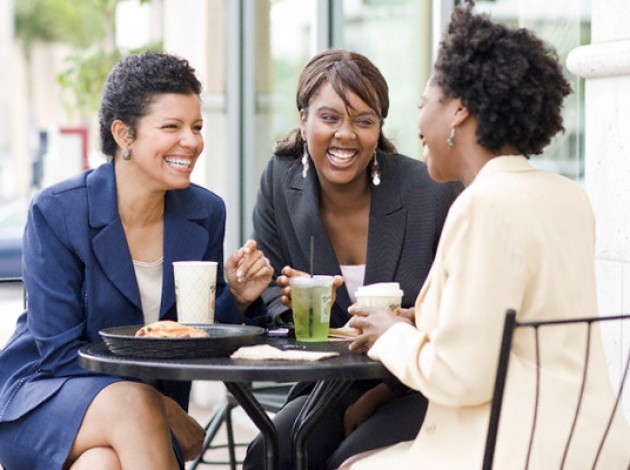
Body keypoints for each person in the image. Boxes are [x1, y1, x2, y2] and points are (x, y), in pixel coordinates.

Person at [342, 3, 630, 469]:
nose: (417, 126)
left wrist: (390, 333)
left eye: (423, 105)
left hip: (512, 449)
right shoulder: (568, 196)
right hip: (594, 443)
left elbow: (461, 376)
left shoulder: (482, 204)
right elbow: (514, 321)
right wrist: (427, 319)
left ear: (458, 110)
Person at [0, 51, 273, 470]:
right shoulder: (57, 212)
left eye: (197, 127)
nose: (192, 141)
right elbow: (57, 354)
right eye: (172, 127)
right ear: (124, 135)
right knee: (135, 405)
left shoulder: (204, 213)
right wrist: (162, 407)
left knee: (102, 465)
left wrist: (235, 298)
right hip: (43, 396)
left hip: (131, 430)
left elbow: (191, 332)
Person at [243, 48, 461, 470]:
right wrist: (291, 304)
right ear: (303, 119)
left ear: (379, 128)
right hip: (328, 386)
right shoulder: (280, 180)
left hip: (417, 387)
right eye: (329, 118)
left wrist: (383, 394)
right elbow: (269, 289)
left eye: (364, 121)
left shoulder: (431, 193)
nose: (346, 134)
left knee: (345, 458)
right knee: (275, 452)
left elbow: (455, 320)